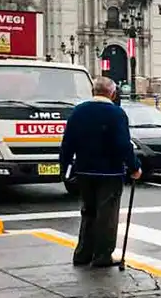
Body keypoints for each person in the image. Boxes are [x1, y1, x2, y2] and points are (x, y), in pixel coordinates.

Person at [60, 77, 141, 267]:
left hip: (84, 170)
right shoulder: (116, 113)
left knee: (88, 212)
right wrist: (134, 166)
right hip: (109, 172)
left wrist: (65, 167)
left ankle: (83, 253)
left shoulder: (79, 111)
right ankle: (102, 255)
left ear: (93, 91)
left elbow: (67, 143)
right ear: (112, 93)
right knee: (107, 215)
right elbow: (123, 144)